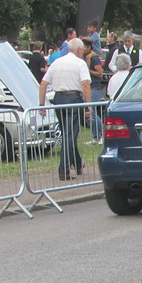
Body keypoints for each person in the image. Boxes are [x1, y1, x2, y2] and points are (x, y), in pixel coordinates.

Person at [38, 38, 91, 181]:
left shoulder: (56, 62)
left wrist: (41, 105)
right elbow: (85, 84)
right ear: (79, 50)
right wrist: (89, 106)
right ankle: (64, 169)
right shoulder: (80, 63)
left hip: (59, 99)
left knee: (68, 133)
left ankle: (78, 164)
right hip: (73, 98)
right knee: (70, 135)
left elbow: (43, 84)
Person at [81, 38, 104, 144]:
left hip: (94, 87)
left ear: (89, 47)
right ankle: (95, 136)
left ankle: (101, 135)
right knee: (91, 114)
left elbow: (100, 73)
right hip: (88, 88)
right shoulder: (85, 58)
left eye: (84, 47)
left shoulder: (94, 58)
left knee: (93, 113)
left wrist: (88, 70)